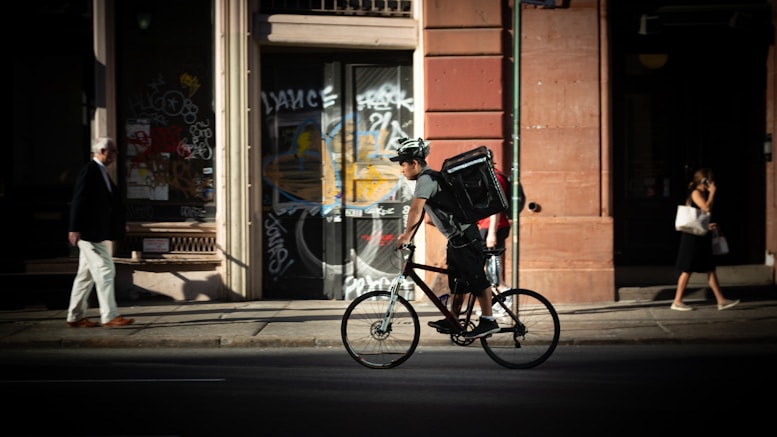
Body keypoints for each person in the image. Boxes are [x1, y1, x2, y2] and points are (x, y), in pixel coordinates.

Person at [392, 138, 499, 339]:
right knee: (458, 283)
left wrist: (406, 235)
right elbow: (423, 214)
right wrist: (410, 236)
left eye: (403, 164)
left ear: (414, 163)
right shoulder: (429, 179)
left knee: (477, 279)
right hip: (457, 240)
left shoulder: (426, 180)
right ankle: (453, 319)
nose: (401, 170)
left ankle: (488, 320)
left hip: (466, 237)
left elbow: (416, 209)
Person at [66, 137, 135, 328]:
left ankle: (75, 316)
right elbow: (78, 200)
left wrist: (120, 224)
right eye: (113, 151)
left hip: (93, 232)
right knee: (106, 270)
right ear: (103, 151)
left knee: (85, 276)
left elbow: (109, 204)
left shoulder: (101, 172)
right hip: (88, 233)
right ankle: (110, 315)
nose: (116, 155)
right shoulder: (89, 170)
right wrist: (74, 228)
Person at [671, 168, 739, 312]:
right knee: (687, 269)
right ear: (704, 181)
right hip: (692, 238)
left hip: (701, 235)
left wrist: (707, 225)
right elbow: (706, 207)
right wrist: (713, 192)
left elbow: (699, 216)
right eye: (710, 181)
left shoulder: (700, 193)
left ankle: (721, 300)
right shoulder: (695, 192)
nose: (712, 183)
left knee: (710, 268)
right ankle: (677, 301)